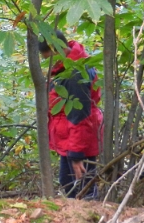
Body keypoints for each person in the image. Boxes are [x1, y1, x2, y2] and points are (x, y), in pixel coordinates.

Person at [39, 30, 103, 199]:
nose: (49, 63)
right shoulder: (66, 66)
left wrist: (76, 155)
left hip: (79, 139)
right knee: (68, 183)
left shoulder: (75, 73)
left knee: (82, 187)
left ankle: (91, 220)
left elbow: (80, 117)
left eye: (49, 58)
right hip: (70, 137)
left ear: (58, 50)